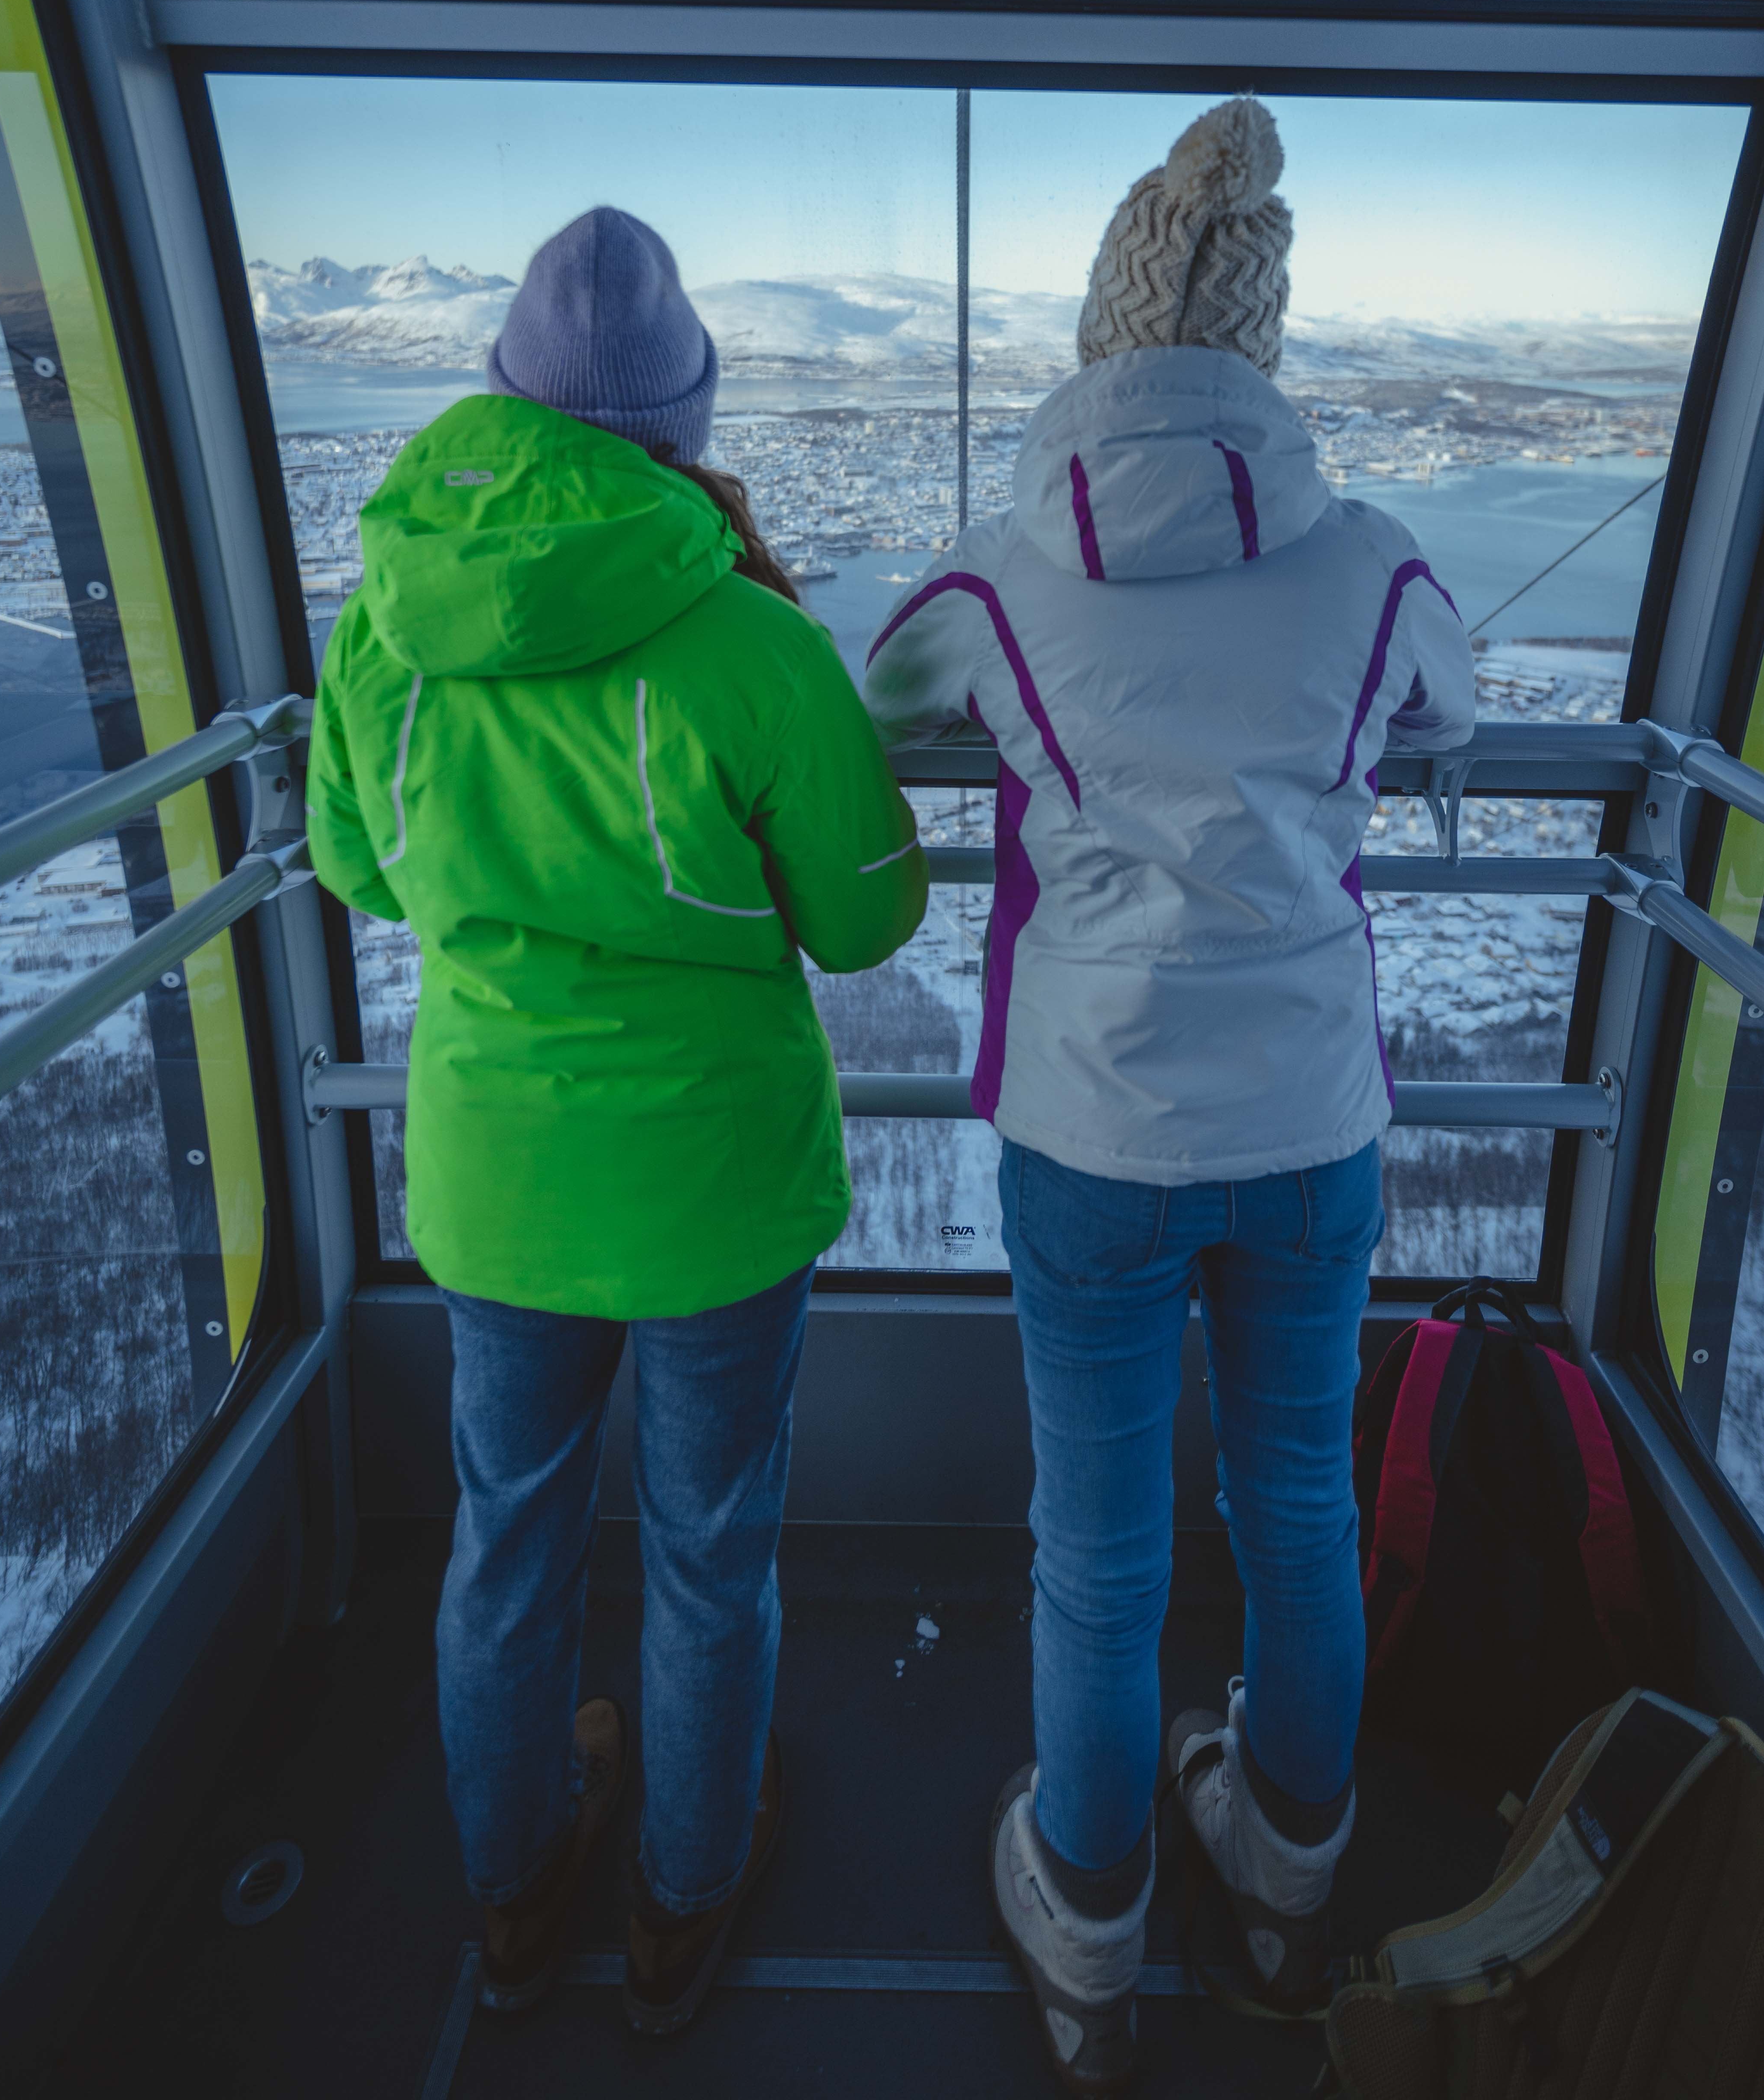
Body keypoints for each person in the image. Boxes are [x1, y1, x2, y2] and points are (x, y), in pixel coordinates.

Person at [866, 101, 1475, 2090]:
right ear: (1267, 344)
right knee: (1296, 1506)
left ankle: (1092, 1913)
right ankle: (1290, 1887)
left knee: (1099, 1545)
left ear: (1091, 334)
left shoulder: (1003, 568)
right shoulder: (1369, 558)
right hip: (1308, 1119)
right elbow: (1444, 699)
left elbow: (882, 695)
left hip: (1093, 1127)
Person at [307, 207, 927, 2033]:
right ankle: (684, 1889)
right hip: (715, 1189)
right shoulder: (744, 636)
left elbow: (357, 862)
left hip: (496, 1186)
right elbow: (870, 913)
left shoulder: (383, 623)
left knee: (506, 1539)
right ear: (681, 421)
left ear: (501, 397)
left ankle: (510, 1894)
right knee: (709, 1540)